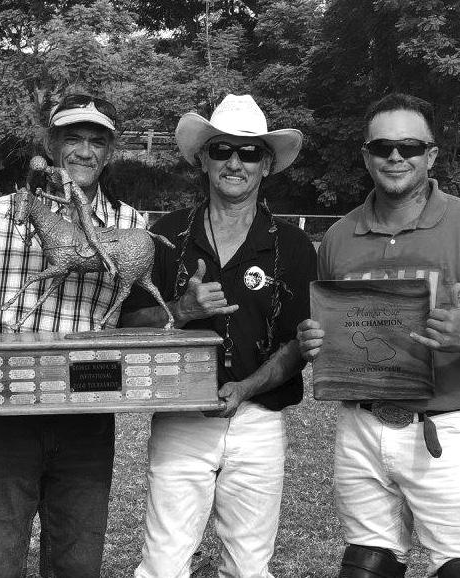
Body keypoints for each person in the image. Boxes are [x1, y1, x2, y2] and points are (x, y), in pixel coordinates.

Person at [296, 93, 460, 577]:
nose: (395, 156)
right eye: (382, 146)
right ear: (366, 156)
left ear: (430, 155)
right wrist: (314, 341)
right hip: (361, 425)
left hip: (443, 428)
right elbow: (332, 326)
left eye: (409, 146)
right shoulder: (339, 237)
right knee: (367, 562)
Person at [0, 94, 144, 577]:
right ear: (51, 146)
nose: (84, 151)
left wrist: (184, 309)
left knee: (77, 562)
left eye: (97, 141)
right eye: (73, 138)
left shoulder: (130, 224)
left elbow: (135, 320)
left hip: (88, 413)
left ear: (110, 151)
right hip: (9, 405)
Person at [118, 94, 317, 578]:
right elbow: (126, 325)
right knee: (163, 566)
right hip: (181, 415)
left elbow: (297, 344)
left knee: (249, 568)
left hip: (258, 419)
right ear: (203, 159)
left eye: (249, 152)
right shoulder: (165, 234)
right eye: (222, 149)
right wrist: (181, 310)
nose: (234, 162)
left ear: (266, 164)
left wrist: (246, 388)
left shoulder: (293, 245)